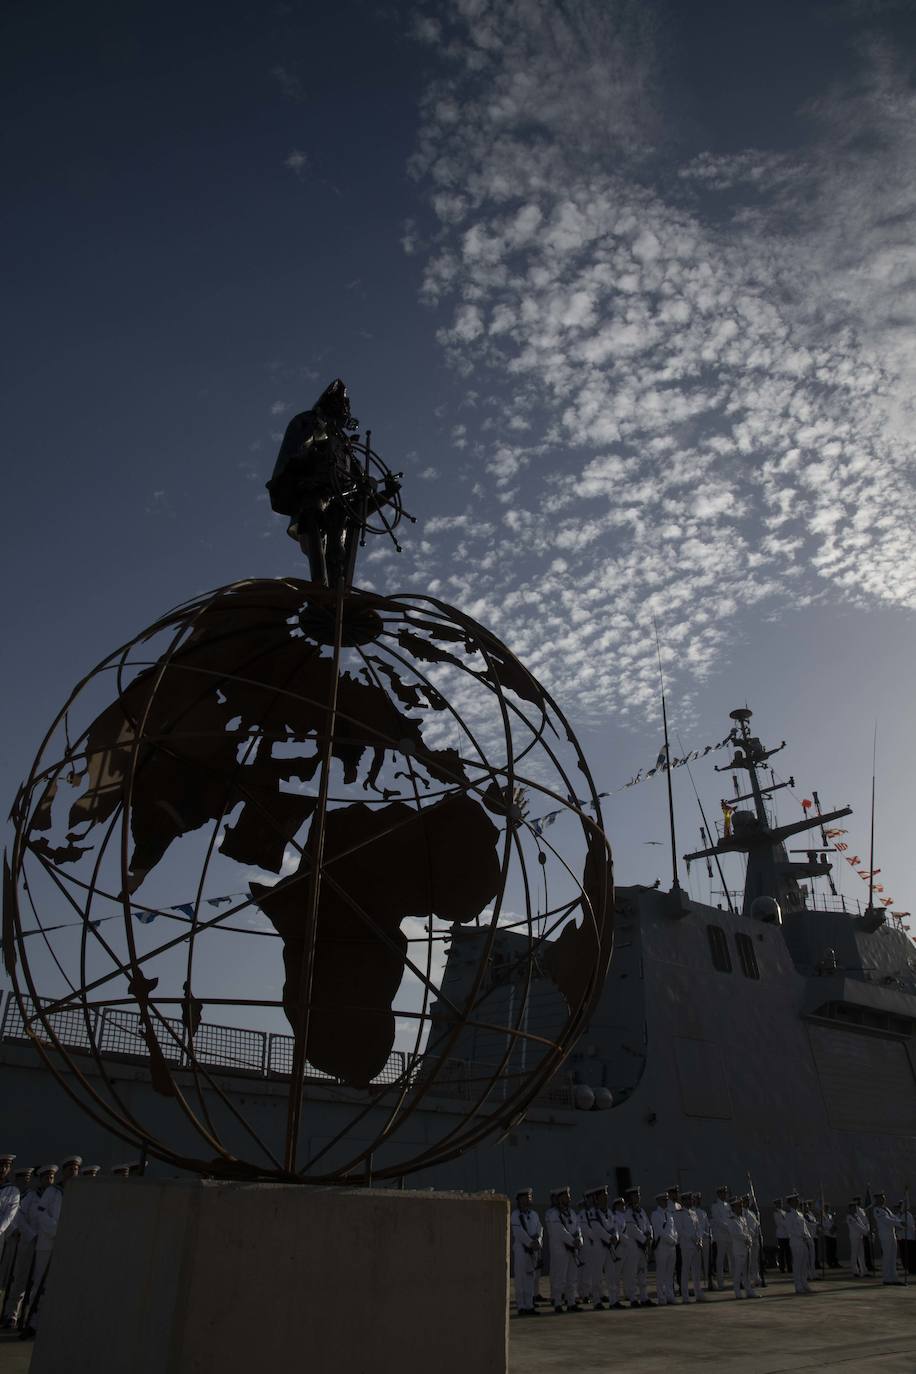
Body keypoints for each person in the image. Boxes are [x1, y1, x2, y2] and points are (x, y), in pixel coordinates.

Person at [1, 1164, 52, 1329]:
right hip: (28, 1242)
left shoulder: (54, 1196)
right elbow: (19, 1218)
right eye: (45, 1177)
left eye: (51, 1177)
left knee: (38, 1282)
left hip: (45, 1243)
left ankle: (30, 1317)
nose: (49, 1180)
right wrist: (31, 1234)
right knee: (20, 1279)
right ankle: (12, 1314)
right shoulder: (30, 1197)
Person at [545, 1187, 583, 1314]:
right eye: (566, 1196)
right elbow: (559, 1231)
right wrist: (573, 1241)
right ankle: (557, 1303)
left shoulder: (571, 1213)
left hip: (572, 1250)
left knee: (572, 1278)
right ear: (560, 1198)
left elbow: (578, 1228)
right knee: (559, 1278)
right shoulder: (552, 1213)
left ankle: (571, 1302)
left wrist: (579, 1239)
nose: (569, 1198)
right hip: (560, 1250)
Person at [583, 1185, 617, 1310]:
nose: (606, 1198)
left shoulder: (609, 1212)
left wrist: (616, 1237)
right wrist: (609, 1238)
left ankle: (614, 1300)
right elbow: (597, 1229)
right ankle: (597, 1301)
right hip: (599, 1246)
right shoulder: (593, 1213)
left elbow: (615, 1226)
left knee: (611, 1274)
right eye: (603, 1196)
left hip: (610, 1247)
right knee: (596, 1275)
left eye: (606, 1195)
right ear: (596, 1198)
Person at [510, 1187, 542, 1317]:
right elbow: (518, 1232)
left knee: (530, 1278)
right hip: (521, 1251)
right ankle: (521, 1306)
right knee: (521, 1279)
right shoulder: (515, 1215)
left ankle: (529, 1305)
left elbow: (540, 1229)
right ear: (520, 1200)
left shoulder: (534, 1215)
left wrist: (538, 1242)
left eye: (530, 1198)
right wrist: (530, 1242)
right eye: (525, 1198)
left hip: (532, 1251)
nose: (528, 1200)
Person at [725, 1198, 761, 1299]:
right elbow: (736, 1233)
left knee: (746, 1272)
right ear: (733, 1208)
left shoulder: (742, 1218)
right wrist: (746, 1238)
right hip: (739, 1249)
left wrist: (749, 1238)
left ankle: (749, 1291)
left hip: (746, 1247)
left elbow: (747, 1231)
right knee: (738, 1272)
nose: (741, 1208)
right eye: (738, 1206)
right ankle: (737, 1292)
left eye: (741, 1206)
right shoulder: (731, 1219)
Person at [624, 1186, 653, 1307]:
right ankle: (632, 1298)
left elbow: (648, 1225)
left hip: (643, 1247)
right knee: (632, 1274)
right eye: (635, 1195)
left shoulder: (641, 1212)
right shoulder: (628, 1212)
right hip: (634, 1247)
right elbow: (632, 1229)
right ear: (630, 1198)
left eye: (638, 1195)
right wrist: (644, 1239)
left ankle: (644, 1297)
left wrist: (650, 1236)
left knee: (642, 1272)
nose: (637, 1197)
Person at [783, 1192, 814, 1295]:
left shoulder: (800, 1214)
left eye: (797, 1200)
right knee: (797, 1265)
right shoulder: (788, 1215)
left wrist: (808, 1237)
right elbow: (789, 1229)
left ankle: (804, 1283)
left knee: (804, 1264)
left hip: (803, 1242)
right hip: (796, 1242)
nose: (797, 1201)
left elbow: (805, 1228)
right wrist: (801, 1235)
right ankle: (798, 1285)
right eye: (795, 1200)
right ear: (790, 1202)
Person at [650, 1191, 678, 1305]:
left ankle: (670, 1295)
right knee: (661, 1273)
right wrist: (671, 1239)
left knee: (670, 1274)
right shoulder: (655, 1214)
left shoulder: (670, 1214)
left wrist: (676, 1239)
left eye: (666, 1200)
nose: (665, 1202)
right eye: (663, 1200)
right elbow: (660, 1232)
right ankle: (661, 1297)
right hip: (662, 1247)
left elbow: (674, 1229)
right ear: (658, 1201)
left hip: (672, 1247)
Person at [678, 1194, 707, 1302]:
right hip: (687, 1245)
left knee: (696, 1271)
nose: (691, 1201)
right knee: (686, 1270)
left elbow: (699, 1228)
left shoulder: (693, 1213)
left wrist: (699, 1239)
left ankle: (698, 1293)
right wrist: (692, 1238)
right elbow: (680, 1230)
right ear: (684, 1201)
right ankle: (685, 1296)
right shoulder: (680, 1213)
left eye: (691, 1199)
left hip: (696, 1245)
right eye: (689, 1199)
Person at [872, 1193, 904, 1286]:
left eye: (883, 1198)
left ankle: (894, 1278)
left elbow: (893, 1217)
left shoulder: (886, 1209)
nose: (882, 1200)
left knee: (893, 1257)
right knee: (887, 1256)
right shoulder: (877, 1210)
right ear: (876, 1200)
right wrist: (900, 1223)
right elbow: (886, 1220)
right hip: (885, 1235)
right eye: (880, 1198)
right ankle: (886, 1278)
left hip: (892, 1234)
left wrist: (901, 1222)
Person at [710, 1185, 732, 1290]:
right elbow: (718, 1221)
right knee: (720, 1259)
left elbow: (731, 1218)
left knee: (732, 1258)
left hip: (729, 1236)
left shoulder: (728, 1205)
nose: (725, 1194)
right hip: (721, 1236)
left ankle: (735, 1281)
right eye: (723, 1193)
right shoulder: (715, 1206)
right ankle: (720, 1282)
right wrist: (729, 1228)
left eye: (726, 1193)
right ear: (719, 1194)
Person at [609, 1196, 629, 1308]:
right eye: (621, 1204)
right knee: (615, 1276)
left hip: (625, 1248)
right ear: (616, 1205)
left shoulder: (625, 1216)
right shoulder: (615, 1217)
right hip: (618, 1248)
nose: (623, 1206)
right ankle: (614, 1299)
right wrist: (627, 1241)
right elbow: (618, 1233)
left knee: (626, 1274)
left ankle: (626, 1294)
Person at [741, 1195, 763, 1290]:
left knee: (754, 1260)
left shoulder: (752, 1213)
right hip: (747, 1240)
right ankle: (747, 1280)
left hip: (754, 1239)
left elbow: (757, 1225)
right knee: (747, 1262)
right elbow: (745, 1227)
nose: (747, 1203)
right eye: (745, 1201)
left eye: (748, 1201)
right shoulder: (741, 1213)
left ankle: (756, 1278)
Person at [852, 1196, 876, 1274]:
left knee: (864, 1252)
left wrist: (869, 1230)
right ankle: (856, 1269)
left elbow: (865, 1221)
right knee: (857, 1253)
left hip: (865, 1232)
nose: (859, 1202)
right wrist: (866, 1231)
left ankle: (865, 1268)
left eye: (859, 1201)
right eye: (857, 1201)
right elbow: (858, 1224)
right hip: (860, 1233)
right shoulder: (854, 1211)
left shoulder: (861, 1210)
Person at [693, 1191, 712, 1290]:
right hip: (697, 1240)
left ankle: (708, 1282)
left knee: (707, 1262)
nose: (698, 1201)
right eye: (697, 1199)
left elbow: (707, 1225)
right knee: (698, 1263)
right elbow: (697, 1228)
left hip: (706, 1240)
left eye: (699, 1199)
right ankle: (699, 1284)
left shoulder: (703, 1212)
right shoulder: (692, 1212)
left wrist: (710, 1235)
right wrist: (705, 1234)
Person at [846, 1201, 868, 1277]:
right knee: (854, 1254)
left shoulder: (857, 1216)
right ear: (850, 1209)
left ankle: (863, 1271)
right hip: (854, 1237)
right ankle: (854, 1271)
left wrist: (867, 1231)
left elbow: (862, 1225)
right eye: (853, 1208)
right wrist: (866, 1232)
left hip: (860, 1237)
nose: (855, 1209)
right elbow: (857, 1226)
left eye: (855, 1207)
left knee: (861, 1254)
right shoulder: (849, 1217)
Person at [896, 1199, 915, 1275]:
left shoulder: (908, 1215)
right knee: (904, 1255)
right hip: (901, 1237)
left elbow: (909, 1226)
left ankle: (912, 1269)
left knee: (910, 1255)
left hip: (909, 1238)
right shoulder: (898, 1215)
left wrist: (901, 1226)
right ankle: (906, 1268)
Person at [772, 1199, 790, 1274]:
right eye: (779, 1203)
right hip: (781, 1235)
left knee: (788, 1253)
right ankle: (782, 1268)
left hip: (787, 1235)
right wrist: (787, 1223)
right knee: (781, 1253)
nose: (780, 1205)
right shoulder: (776, 1213)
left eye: (781, 1203)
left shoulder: (785, 1212)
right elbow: (780, 1223)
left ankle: (789, 1267)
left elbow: (788, 1222)